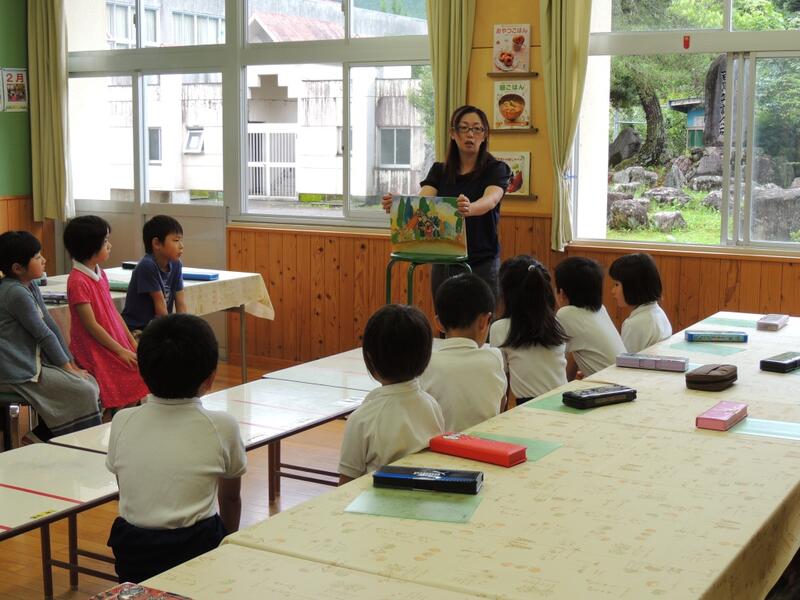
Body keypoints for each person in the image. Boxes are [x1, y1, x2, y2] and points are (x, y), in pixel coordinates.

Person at [106, 313, 246, 583]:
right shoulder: (223, 425)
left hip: (133, 548)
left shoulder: (122, 420)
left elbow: (127, 489)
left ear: (143, 373)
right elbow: (230, 498)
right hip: (196, 546)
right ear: (210, 378)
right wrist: (227, 543)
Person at [382, 105, 512, 298]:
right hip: (443, 260)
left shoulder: (497, 169)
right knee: (445, 322)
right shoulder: (439, 170)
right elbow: (423, 199)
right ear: (453, 133)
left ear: (484, 135)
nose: (470, 134)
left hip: (482, 262)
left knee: (483, 323)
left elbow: (491, 199)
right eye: (464, 128)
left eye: (477, 129)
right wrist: (400, 204)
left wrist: (470, 207)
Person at [0, 231, 101, 442]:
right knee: (82, 389)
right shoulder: (14, 292)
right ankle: (54, 440)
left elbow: (51, 325)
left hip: (31, 361)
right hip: (15, 368)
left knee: (90, 382)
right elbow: (42, 333)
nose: (44, 260)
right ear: (18, 268)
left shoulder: (29, 285)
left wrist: (71, 364)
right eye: (37, 257)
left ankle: (41, 436)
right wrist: (67, 368)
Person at [338, 304, 444, 484]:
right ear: (425, 357)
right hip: (425, 501)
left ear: (370, 358)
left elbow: (346, 484)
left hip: (375, 506)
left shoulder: (362, 419)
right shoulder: (433, 405)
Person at [64, 216, 148, 414]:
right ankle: (109, 422)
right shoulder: (77, 281)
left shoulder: (100, 273)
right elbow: (91, 326)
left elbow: (112, 312)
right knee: (126, 376)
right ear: (90, 247)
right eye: (105, 241)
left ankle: (120, 419)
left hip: (113, 339)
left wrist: (130, 341)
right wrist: (119, 350)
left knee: (140, 371)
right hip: (94, 346)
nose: (109, 245)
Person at [421, 273, 506, 431]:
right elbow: (501, 408)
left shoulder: (426, 364)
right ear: (484, 321)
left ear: (439, 323)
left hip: (439, 450)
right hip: (486, 450)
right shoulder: (494, 358)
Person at [489, 256, 568, 404]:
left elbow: (500, 384)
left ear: (507, 295)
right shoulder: (556, 323)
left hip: (530, 408)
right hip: (564, 403)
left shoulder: (500, 328)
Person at [554, 257, 626, 379]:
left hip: (611, 390)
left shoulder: (566, 314)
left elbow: (552, 360)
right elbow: (574, 351)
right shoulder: (600, 310)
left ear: (561, 294)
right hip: (624, 383)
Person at [122, 215, 187, 334]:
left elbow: (180, 302)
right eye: (176, 240)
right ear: (157, 243)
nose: (181, 246)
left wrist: (183, 329)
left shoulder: (176, 264)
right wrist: (171, 334)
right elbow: (160, 305)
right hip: (137, 328)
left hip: (158, 325)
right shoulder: (147, 266)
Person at [609, 253, 672, 353]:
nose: (613, 290)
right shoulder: (658, 312)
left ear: (633, 286)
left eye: (617, 284)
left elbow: (625, 364)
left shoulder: (634, 324)